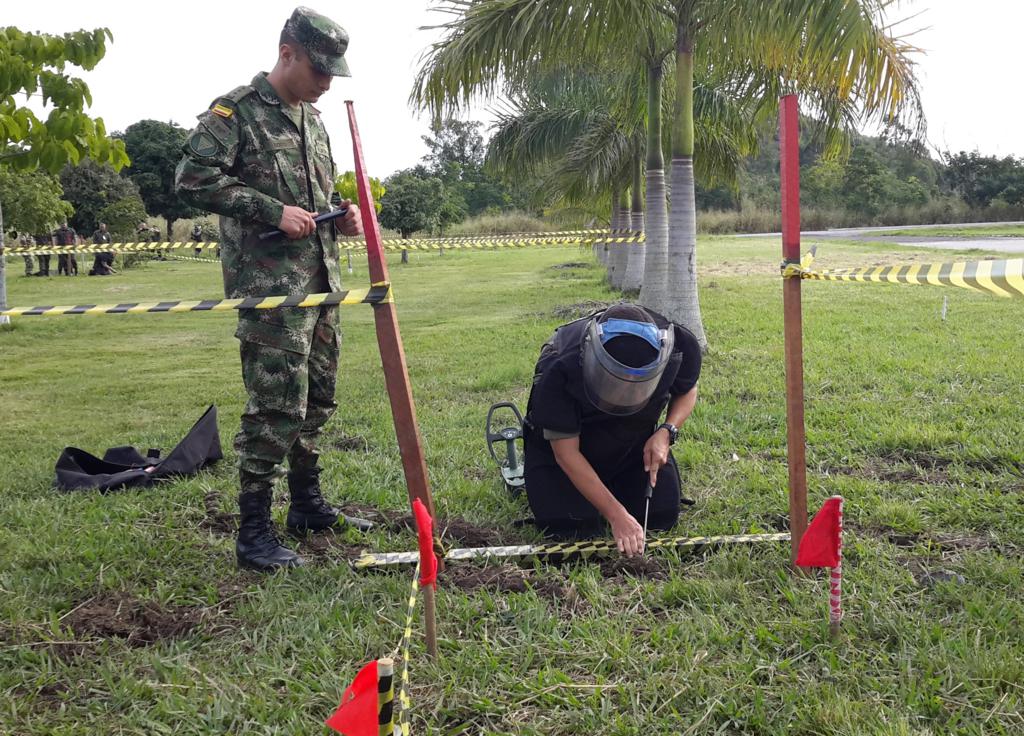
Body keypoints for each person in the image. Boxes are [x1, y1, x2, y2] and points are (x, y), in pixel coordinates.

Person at [175, 7, 370, 572]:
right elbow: (191, 176)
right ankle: (254, 532)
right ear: (287, 53)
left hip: (321, 284)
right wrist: (270, 210)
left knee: (318, 398)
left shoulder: (312, 118)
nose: (328, 82)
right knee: (276, 408)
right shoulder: (236, 111)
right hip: (270, 291)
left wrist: (342, 215)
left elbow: (313, 202)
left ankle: (307, 505)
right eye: (319, 69)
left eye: (335, 72)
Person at [522, 303, 702, 557]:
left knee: (661, 515)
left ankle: (612, 488)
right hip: (561, 455)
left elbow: (687, 390)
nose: (625, 393)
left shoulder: (679, 348)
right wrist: (616, 515)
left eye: (637, 384)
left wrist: (666, 432)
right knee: (570, 525)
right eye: (616, 381)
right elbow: (566, 453)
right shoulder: (559, 364)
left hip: (631, 447)